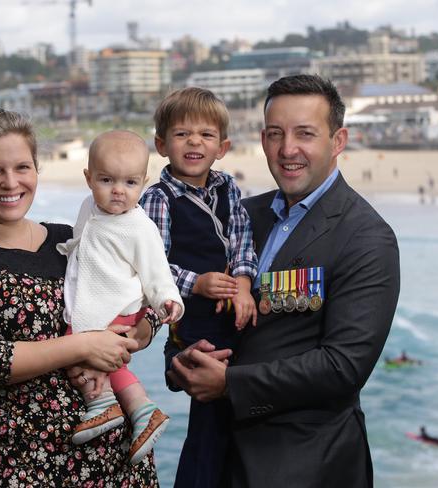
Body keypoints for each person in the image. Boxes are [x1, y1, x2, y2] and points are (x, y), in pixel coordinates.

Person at [168, 75, 400, 488]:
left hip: (305, 464)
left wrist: (229, 384)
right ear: (262, 139)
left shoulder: (366, 237)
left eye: (305, 134)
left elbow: (344, 366)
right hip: (209, 457)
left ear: (338, 140)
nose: (288, 149)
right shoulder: (236, 216)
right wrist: (181, 357)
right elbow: (188, 297)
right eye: (275, 134)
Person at [0, 108, 161, 487]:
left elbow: (140, 290)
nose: (11, 182)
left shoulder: (68, 238)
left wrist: (143, 329)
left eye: (22, 167)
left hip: (120, 462)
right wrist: (84, 345)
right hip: (32, 467)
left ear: (36, 170)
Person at [140, 87, 258, 487]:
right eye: (182, 134)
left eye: (206, 135)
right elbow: (150, 266)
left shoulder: (228, 189)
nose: (194, 142)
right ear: (161, 144)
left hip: (234, 308)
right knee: (209, 419)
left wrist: (242, 282)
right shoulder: (158, 199)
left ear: (222, 147)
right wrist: (198, 283)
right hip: (195, 319)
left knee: (235, 414)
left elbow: (242, 237)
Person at [56, 129, 184, 463]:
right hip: (95, 304)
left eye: (130, 183)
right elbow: (85, 239)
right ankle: (141, 409)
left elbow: (157, 269)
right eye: (107, 180)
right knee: (95, 356)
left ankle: (103, 404)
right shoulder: (90, 207)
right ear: (88, 179)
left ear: (143, 181)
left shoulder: (139, 226)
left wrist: (167, 299)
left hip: (117, 308)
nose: (117, 191)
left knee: (77, 350)